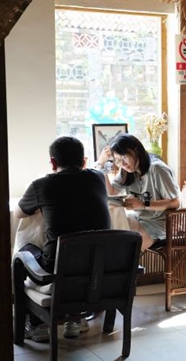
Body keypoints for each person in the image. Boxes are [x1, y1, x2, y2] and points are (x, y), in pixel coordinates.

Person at [14, 136, 111, 341]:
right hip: (98, 267)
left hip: (57, 267)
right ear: (84, 161)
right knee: (80, 253)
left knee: (23, 253)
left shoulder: (42, 185)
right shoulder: (99, 178)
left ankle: (36, 324)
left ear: (53, 162)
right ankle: (73, 319)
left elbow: (19, 213)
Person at [99, 133, 180, 251]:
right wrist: (102, 165)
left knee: (126, 252)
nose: (122, 164)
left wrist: (143, 204)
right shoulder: (126, 171)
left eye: (124, 157)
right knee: (111, 237)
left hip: (162, 224)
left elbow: (175, 202)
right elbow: (111, 192)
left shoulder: (157, 169)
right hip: (141, 219)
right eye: (117, 160)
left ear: (136, 150)